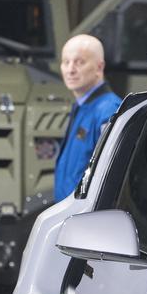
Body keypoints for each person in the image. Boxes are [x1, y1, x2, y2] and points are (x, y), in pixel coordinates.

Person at [53, 34, 122, 202]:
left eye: (79, 62)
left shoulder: (108, 111)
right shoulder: (82, 106)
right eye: (66, 62)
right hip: (69, 210)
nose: (70, 70)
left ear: (99, 67)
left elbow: (111, 175)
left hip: (86, 213)